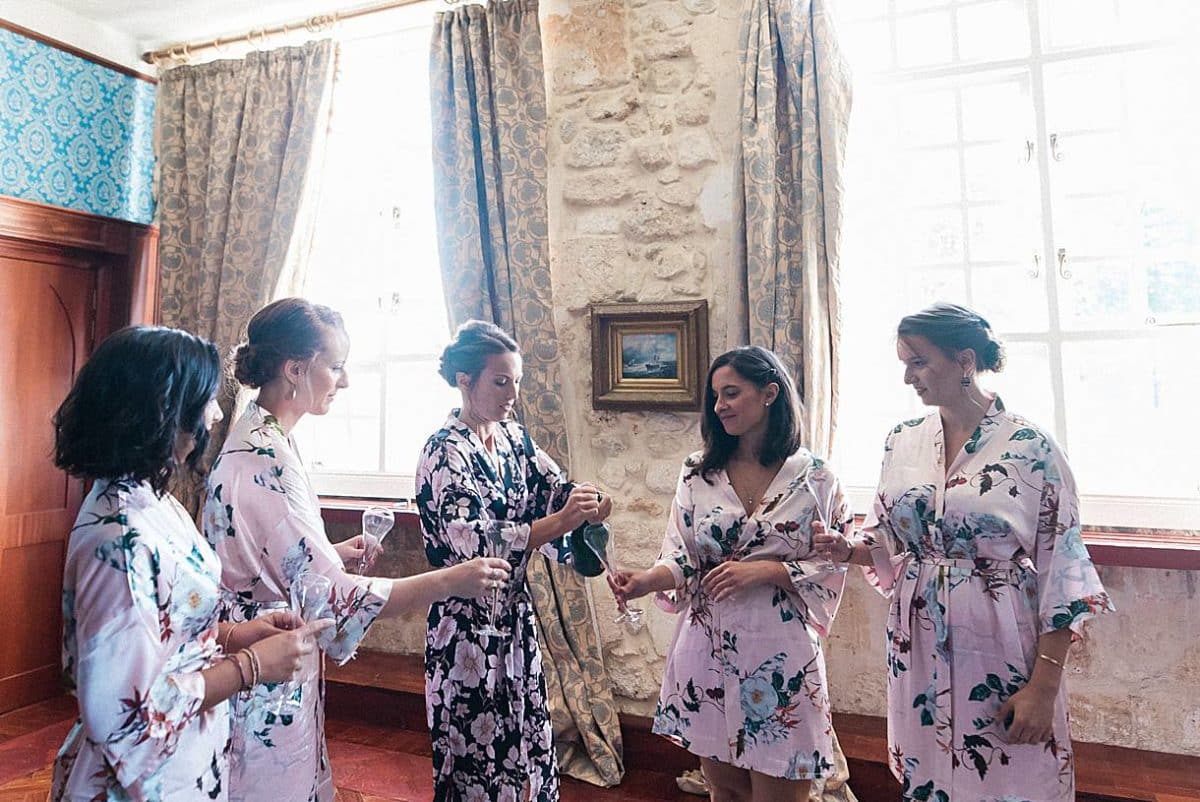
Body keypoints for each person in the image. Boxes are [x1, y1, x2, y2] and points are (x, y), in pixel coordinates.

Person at [203, 299, 509, 802]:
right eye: (337, 366)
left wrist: (326, 551)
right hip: (261, 648)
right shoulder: (264, 456)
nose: (344, 382)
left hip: (269, 639)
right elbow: (340, 597)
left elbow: (270, 547)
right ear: (296, 369)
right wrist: (451, 580)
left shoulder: (267, 437)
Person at [814, 302, 1114, 801]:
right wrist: (849, 550)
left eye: (918, 362)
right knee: (929, 776)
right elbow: (889, 537)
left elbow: (1064, 573)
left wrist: (1043, 689)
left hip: (1000, 645)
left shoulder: (1030, 447)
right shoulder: (901, 441)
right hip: (917, 646)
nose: (908, 378)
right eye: (903, 364)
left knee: (1011, 776)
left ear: (965, 361)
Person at [50, 326, 328, 801]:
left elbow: (162, 629)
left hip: (186, 761)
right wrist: (250, 666)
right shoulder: (118, 537)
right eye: (204, 401)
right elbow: (123, 713)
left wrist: (236, 633)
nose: (216, 412)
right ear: (159, 411)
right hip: (138, 780)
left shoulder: (151, 498)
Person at [611, 346, 849, 802]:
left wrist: (768, 571)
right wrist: (645, 581)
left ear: (769, 394)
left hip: (780, 656)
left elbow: (835, 559)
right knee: (725, 791)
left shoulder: (817, 479)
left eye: (732, 392)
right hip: (707, 648)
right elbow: (682, 556)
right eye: (715, 395)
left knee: (781, 792)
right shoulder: (698, 473)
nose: (719, 405)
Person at [414, 320, 611, 801]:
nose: (512, 395)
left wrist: (590, 502)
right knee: (474, 756)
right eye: (500, 382)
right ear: (465, 380)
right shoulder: (444, 452)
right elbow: (478, 543)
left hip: (516, 623)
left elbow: (556, 490)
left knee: (527, 743)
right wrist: (562, 521)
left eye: (516, 382)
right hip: (464, 631)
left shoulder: (514, 440)